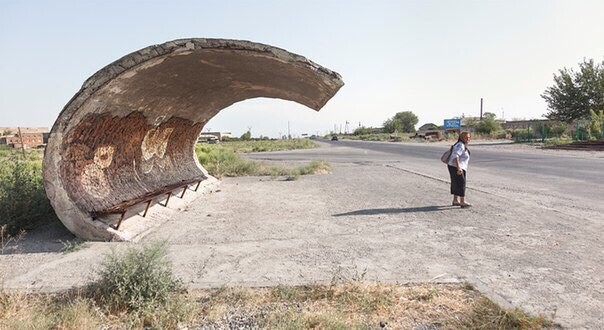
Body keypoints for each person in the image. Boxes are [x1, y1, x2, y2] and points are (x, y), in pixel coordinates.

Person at [448, 132, 471, 208]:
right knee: (461, 183)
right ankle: (462, 201)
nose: (467, 139)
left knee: (456, 183)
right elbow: (456, 156)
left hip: (454, 166)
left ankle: (455, 200)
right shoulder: (460, 145)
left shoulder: (461, 144)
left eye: (468, 137)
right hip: (457, 167)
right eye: (466, 137)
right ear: (461, 138)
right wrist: (458, 168)